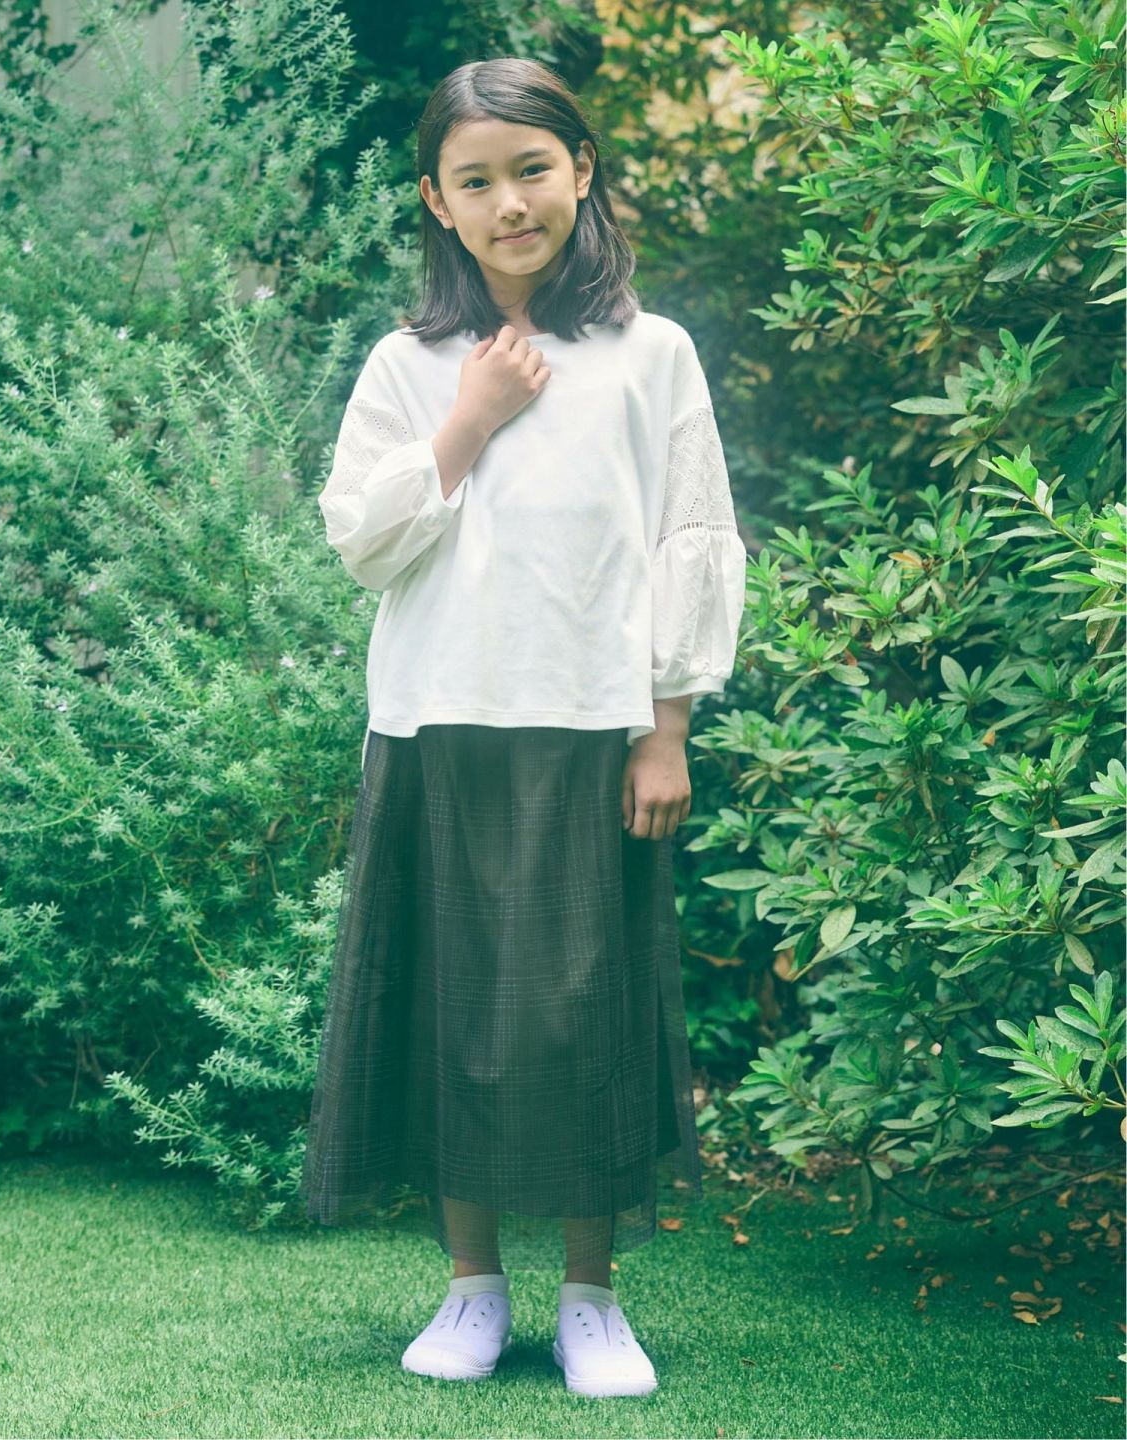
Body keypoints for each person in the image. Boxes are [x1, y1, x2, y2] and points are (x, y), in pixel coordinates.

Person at [297, 56, 748, 1399]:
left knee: (583, 1017)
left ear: (582, 172)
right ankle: (473, 1288)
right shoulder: (408, 365)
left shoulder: (652, 355)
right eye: (477, 181)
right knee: (457, 1014)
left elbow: (689, 540)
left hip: (594, 732)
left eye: (533, 170)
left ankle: (594, 1299)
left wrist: (665, 730)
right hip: (440, 725)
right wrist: (471, 420)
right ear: (436, 200)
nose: (511, 203)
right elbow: (365, 542)